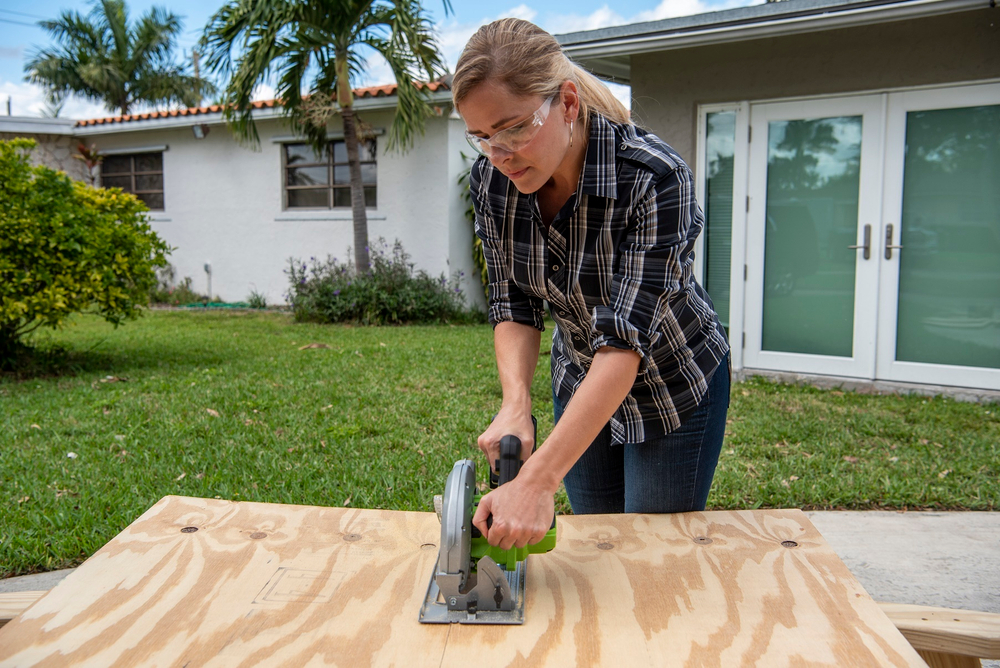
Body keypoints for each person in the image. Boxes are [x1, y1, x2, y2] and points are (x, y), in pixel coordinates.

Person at [454, 18, 731, 552]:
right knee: (601, 545)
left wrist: (536, 480)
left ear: (569, 103)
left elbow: (624, 343)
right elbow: (513, 299)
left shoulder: (654, 177)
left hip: (673, 382)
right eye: (482, 136)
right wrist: (516, 403)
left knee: (649, 555)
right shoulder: (492, 180)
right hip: (581, 375)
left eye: (514, 128)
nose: (500, 153)